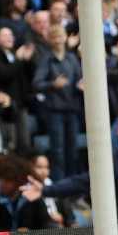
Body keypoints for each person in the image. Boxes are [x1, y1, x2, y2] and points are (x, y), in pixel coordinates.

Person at [32, 24, 83, 180]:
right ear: (50, 40)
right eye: (55, 36)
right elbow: (37, 84)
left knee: (72, 150)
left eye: (61, 36)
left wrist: (81, 85)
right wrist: (52, 84)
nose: (58, 39)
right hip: (55, 110)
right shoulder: (46, 60)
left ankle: (73, 184)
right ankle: (60, 184)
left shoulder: (72, 58)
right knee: (58, 151)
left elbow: (80, 79)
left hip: (72, 109)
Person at [0, 154, 52, 231]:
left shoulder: (31, 196)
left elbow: (45, 224)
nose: (2, 184)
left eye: (8, 180)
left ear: (18, 182)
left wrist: (29, 234)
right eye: (1, 178)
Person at [28, 153, 75, 228]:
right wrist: (51, 217)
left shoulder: (52, 185)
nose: (44, 171)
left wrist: (70, 221)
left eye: (46, 167)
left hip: (61, 223)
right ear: (31, 168)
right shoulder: (28, 189)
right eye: (39, 167)